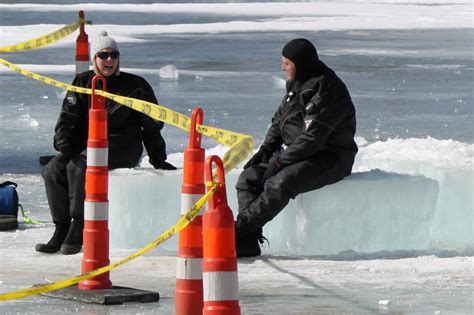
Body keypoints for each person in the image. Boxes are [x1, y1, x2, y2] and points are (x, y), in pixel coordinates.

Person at [36, 30, 176, 255]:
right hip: (88, 145)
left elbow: (151, 126)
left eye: (114, 54)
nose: (109, 60)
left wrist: (158, 158)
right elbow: (67, 119)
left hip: (122, 146)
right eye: (104, 55)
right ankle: (60, 228)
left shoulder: (135, 86)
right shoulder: (82, 82)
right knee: (53, 169)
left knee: (77, 167)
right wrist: (64, 144)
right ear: (95, 58)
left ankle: (78, 225)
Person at [235, 38, 358, 258]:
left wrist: (280, 162)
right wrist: (266, 149)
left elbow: (313, 139)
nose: (282, 67)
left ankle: (238, 230)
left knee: (280, 182)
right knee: (249, 178)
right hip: (298, 152)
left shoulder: (327, 89)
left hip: (331, 157)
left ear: (301, 63)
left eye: (287, 63)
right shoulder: (298, 82)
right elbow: (280, 120)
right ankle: (246, 242)